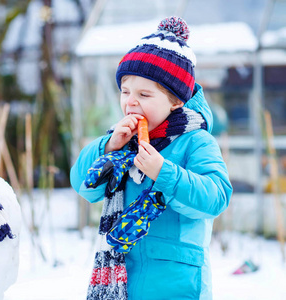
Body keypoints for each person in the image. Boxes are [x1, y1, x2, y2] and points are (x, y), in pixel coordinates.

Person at [70, 16, 233, 300]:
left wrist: (163, 172)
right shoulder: (122, 140)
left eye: (144, 94)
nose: (131, 101)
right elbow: (83, 185)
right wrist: (107, 148)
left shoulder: (196, 141)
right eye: (125, 91)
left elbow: (216, 198)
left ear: (176, 101)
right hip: (120, 280)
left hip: (177, 284)